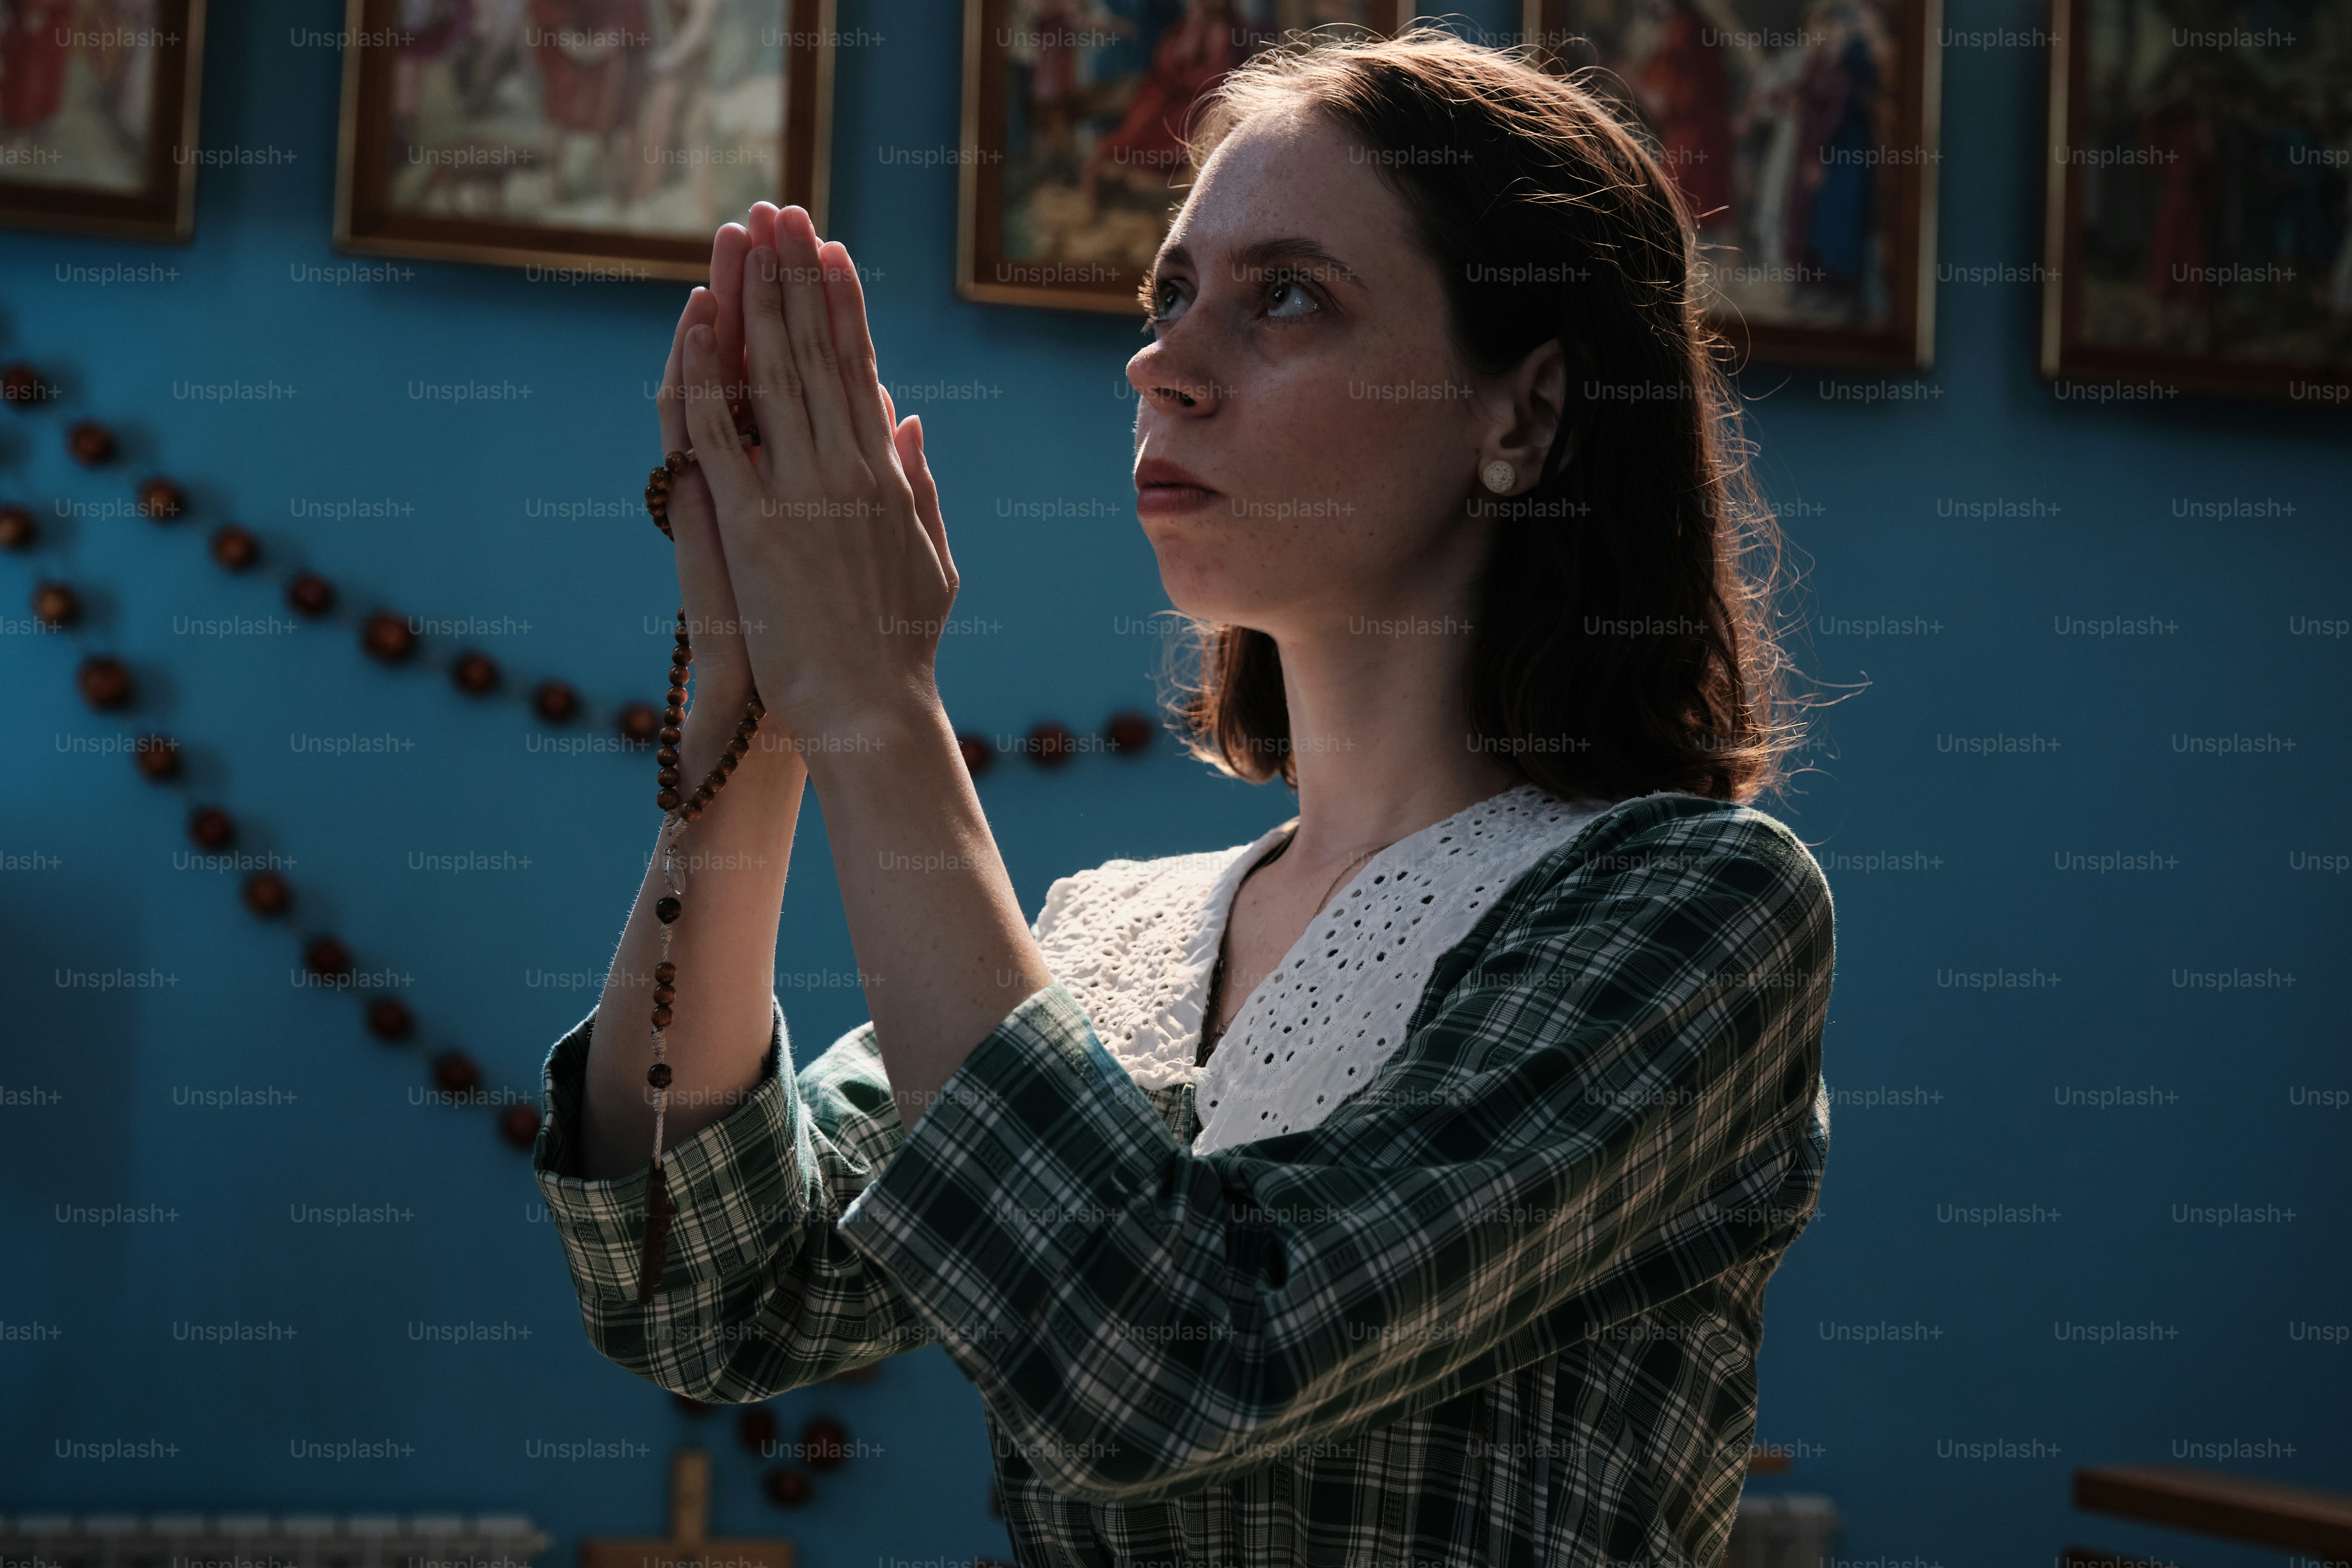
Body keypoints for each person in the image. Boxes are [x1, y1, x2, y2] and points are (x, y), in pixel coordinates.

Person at [531, 28, 1834, 1566]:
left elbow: (1170, 1363)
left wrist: (879, 707)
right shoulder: (1112, 936)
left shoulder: (1696, 910)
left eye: (1288, 295)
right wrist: (760, 720)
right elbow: (699, 1289)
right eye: (1170, 290)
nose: (1162, 359)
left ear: (1521, 416)